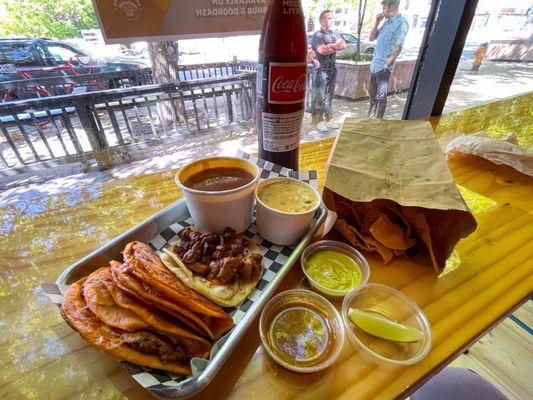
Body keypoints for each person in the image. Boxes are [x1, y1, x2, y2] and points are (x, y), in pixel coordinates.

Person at [368, 0, 409, 119]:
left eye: (384, 6)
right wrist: (376, 22)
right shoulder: (386, 23)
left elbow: (399, 46)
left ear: (391, 6)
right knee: (372, 96)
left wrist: (386, 65)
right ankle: (369, 120)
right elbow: (371, 38)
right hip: (374, 66)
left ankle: (378, 122)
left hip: (384, 67)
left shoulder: (401, 23)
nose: (383, 10)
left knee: (381, 97)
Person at [310, 10, 346, 129]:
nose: (330, 20)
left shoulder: (335, 33)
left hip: (332, 69)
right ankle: (318, 121)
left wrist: (330, 47)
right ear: (321, 20)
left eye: (331, 18)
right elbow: (321, 50)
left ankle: (329, 119)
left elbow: (343, 45)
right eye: (327, 18)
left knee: (329, 96)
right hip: (320, 70)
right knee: (319, 97)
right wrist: (335, 46)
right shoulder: (317, 35)